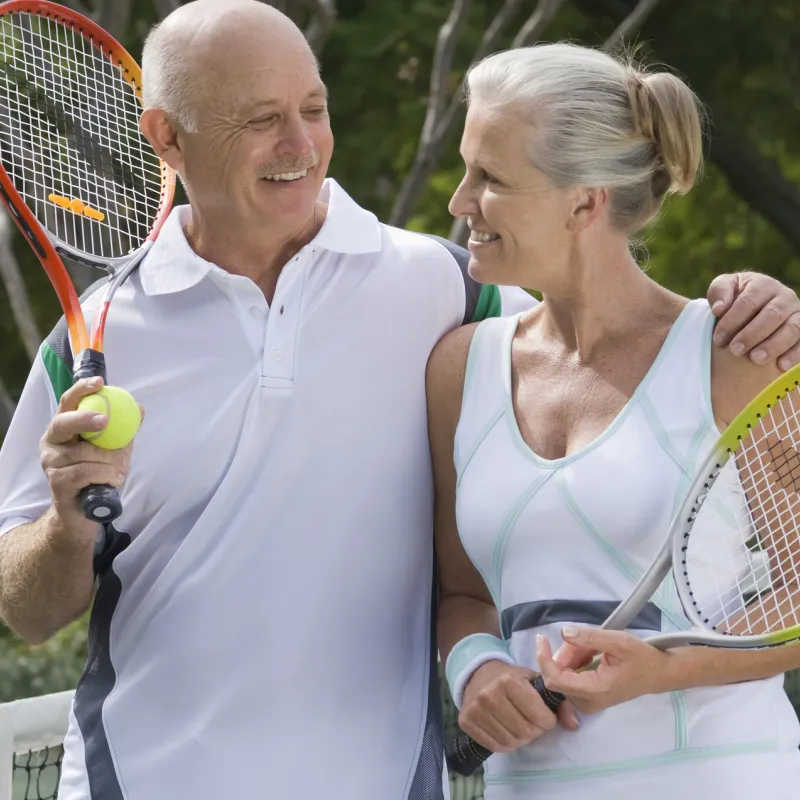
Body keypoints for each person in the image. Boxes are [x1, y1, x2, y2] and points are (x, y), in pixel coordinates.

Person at [0, 4, 796, 799]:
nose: (301, 144)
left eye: (313, 109)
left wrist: (756, 309)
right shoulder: (91, 343)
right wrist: (67, 528)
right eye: (261, 120)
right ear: (168, 138)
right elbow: (25, 613)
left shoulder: (446, 289)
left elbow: (611, 324)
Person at [429, 42, 800, 800]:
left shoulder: (738, 354)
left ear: (584, 200)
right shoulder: (458, 368)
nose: (459, 202)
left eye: (491, 179)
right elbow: (461, 592)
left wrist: (667, 670)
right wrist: (476, 667)